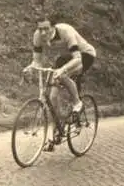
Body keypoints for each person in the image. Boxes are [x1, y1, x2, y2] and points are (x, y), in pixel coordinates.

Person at [24, 18, 96, 149]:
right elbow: (37, 61)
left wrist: (62, 70)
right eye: (40, 29)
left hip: (84, 55)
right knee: (52, 97)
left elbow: (77, 58)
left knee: (61, 74)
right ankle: (56, 133)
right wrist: (31, 67)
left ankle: (77, 103)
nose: (43, 32)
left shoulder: (65, 31)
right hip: (64, 58)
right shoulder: (37, 36)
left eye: (46, 29)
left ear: (53, 27)